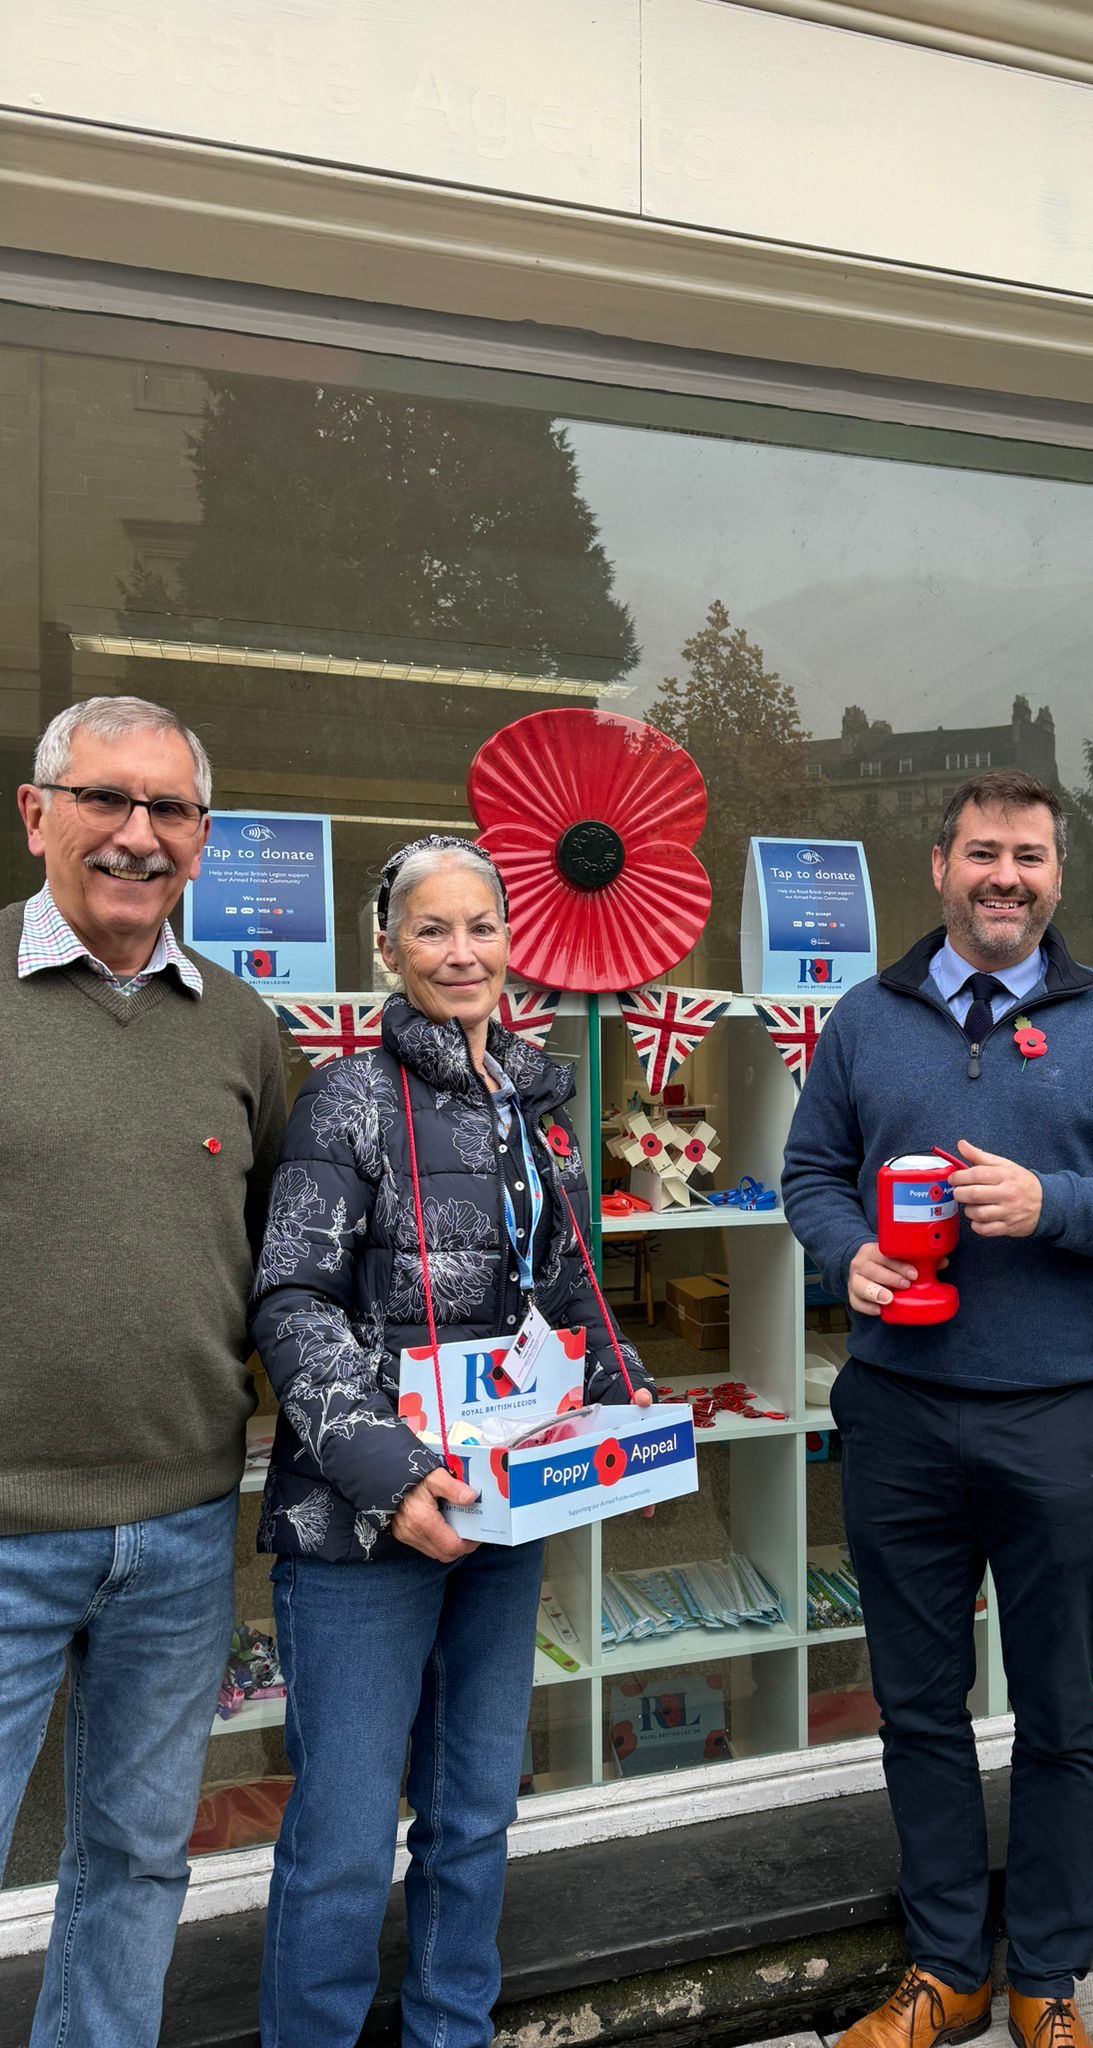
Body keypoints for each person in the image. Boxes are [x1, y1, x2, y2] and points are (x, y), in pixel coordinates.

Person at [782, 769, 1093, 2048]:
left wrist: (1056, 1206)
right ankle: (944, 1972)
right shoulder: (866, 1019)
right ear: (940, 864)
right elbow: (811, 1172)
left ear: (1056, 874)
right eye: (984, 851)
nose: (1007, 875)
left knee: (1061, 1710)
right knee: (917, 1706)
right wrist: (845, 1247)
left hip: (1051, 1414)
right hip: (899, 1413)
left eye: (1030, 854)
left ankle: (1048, 1976)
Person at [251, 834, 653, 2048]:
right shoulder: (347, 1100)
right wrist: (386, 1467)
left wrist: (628, 1423)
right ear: (387, 948)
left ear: (510, 941)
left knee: (475, 1811)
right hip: (365, 1523)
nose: (462, 950)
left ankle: (450, 2033)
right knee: (343, 1831)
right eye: (432, 928)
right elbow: (292, 1302)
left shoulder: (537, 1101)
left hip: (501, 1507)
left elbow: (570, 1291)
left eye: (481, 925)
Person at [0, 696, 287, 2048]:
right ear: (36, 811)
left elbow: (293, 1261)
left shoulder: (241, 1030)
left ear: (204, 839)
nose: (135, 834)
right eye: (106, 799)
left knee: (135, 1861)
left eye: (168, 810)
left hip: (180, 1531)